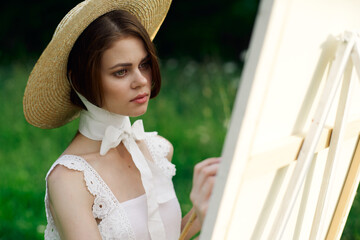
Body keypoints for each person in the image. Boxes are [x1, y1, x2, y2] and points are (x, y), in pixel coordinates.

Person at [23, 0, 220, 239]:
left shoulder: (157, 150)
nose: (142, 80)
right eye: (121, 71)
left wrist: (206, 212)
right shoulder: (69, 180)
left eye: (144, 64)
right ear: (79, 81)